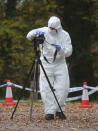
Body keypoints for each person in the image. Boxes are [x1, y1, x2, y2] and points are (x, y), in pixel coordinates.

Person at [26, 16, 72, 120]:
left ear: (58, 28)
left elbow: (69, 52)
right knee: (45, 88)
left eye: (53, 28)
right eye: (49, 28)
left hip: (60, 64)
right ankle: (49, 112)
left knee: (63, 88)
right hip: (46, 64)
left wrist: (61, 50)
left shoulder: (65, 35)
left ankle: (59, 109)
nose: (50, 30)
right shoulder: (44, 30)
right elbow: (28, 36)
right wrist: (35, 33)